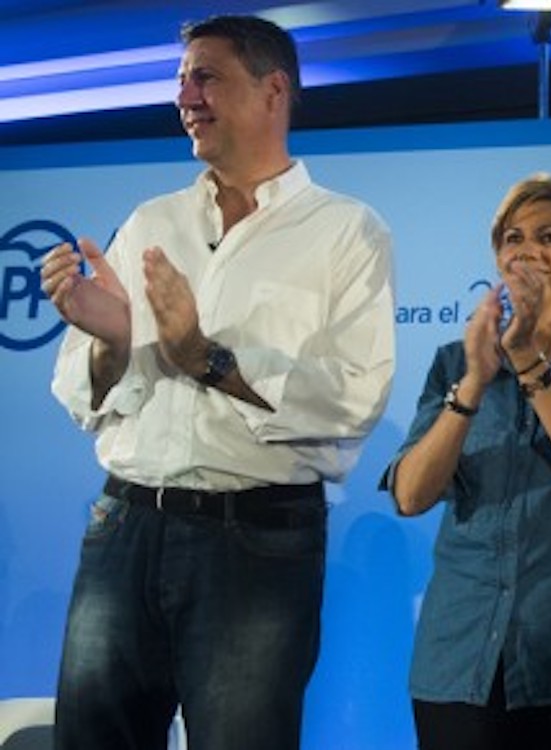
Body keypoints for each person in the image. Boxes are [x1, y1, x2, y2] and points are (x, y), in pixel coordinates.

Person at [39, 15, 395, 750]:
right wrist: (109, 340)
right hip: (124, 527)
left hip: (255, 543)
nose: (185, 96)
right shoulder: (152, 220)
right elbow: (84, 396)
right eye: (180, 81)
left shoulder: (346, 232)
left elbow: (352, 397)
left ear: (273, 91)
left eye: (206, 76)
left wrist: (205, 355)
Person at [381, 174, 551, 749]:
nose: (527, 250)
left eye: (550, 237)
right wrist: (474, 385)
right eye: (513, 238)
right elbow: (410, 495)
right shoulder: (455, 361)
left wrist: (527, 359)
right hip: (460, 655)